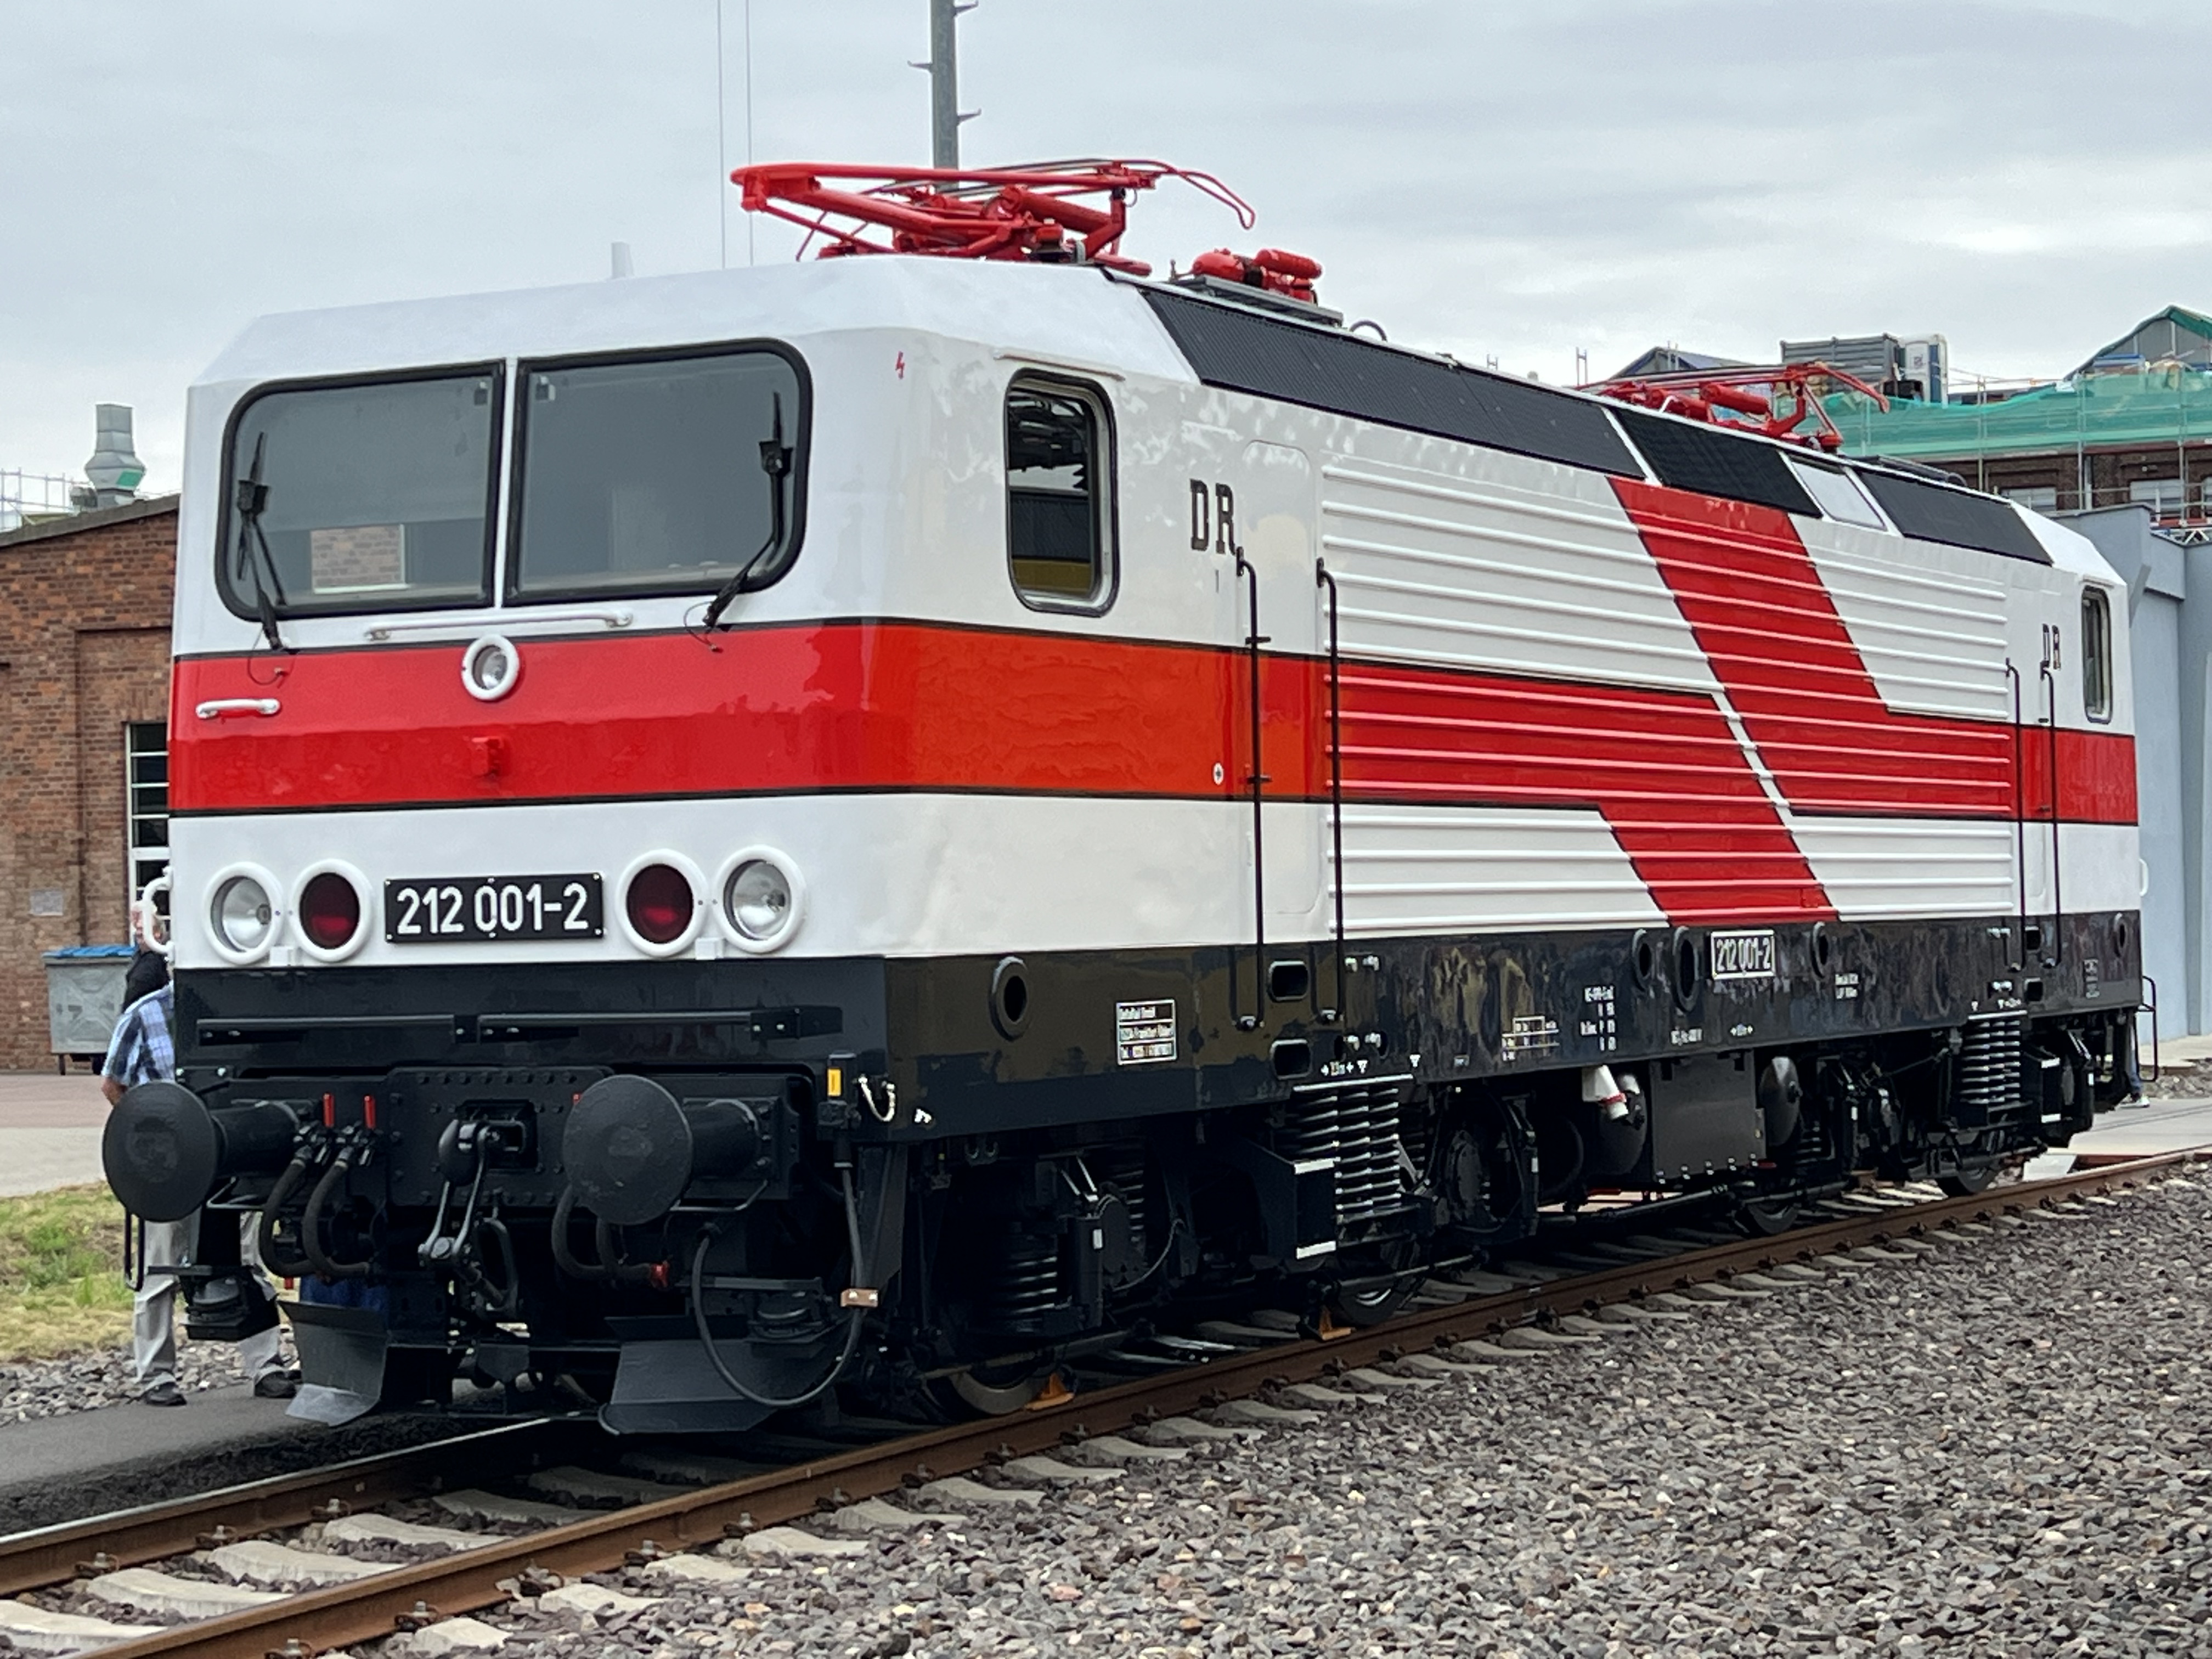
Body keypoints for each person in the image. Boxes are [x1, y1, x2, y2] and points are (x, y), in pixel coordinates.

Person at [103, 952, 297, 1406]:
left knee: (249, 1259)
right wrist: (149, 1135)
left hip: (232, 1154)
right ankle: (156, 1376)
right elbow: (114, 1084)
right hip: (171, 1164)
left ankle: (266, 1366)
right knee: (158, 1270)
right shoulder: (144, 1015)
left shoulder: (238, 1012)